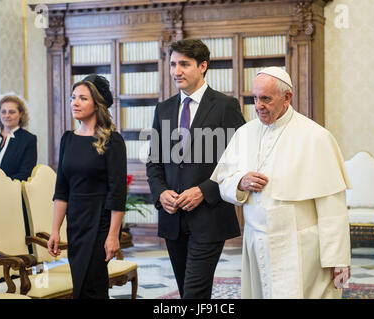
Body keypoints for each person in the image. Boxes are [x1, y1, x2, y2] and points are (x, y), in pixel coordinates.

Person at [211, 67, 352, 299]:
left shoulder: (316, 137)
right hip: (256, 241)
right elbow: (223, 180)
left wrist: (337, 259)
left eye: (266, 98)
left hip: (300, 246)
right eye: (254, 98)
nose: (258, 106)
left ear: (287, 98)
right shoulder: (245, 133)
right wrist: (240, 182)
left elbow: (332, 207)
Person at [146, 39, 246, 299]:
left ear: (203, 66)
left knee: (194, 293)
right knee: (186, 290)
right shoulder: (163, 109)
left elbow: (240, 161)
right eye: (173, 64)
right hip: (172, 218)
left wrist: (203, 191)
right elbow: (154, 162)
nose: (176, 71)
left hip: (210, 217)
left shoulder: (226, 106)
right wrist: (160, 193)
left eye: (184, 64)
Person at [47, 74, 127, 299]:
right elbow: (61, 189)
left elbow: (118, 192)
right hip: (76, 225)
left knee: (90, 287)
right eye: (73, 97)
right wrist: (55, 230)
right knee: (81, 285)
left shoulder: (113, 140)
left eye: (82, 98)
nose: (75, 102)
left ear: (97, 103)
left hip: (100, 223)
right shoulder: (67, 139)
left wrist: (113, 235)